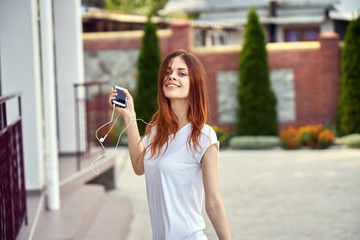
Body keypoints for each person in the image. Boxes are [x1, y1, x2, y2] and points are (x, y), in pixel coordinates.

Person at [109, 49, 232, 240]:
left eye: (181, 73)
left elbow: (214, 202)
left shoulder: (203, 136)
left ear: (194, 84)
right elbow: (139, 166)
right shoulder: (157, 130)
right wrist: (129, 116)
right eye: (168, 72)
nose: (171, 76)